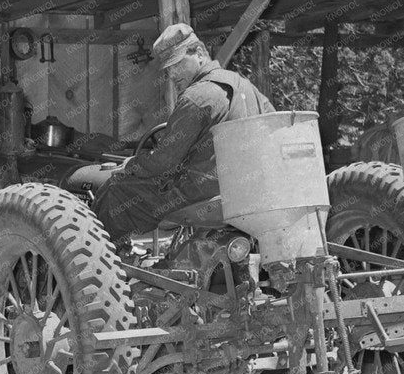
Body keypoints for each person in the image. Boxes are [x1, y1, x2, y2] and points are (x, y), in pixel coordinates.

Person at [93, 22, 274, 237]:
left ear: (198, 52)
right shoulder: (247, 88)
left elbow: (163, 163)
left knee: (116, 191)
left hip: (203, 196)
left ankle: (101, 262)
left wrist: (129, 166)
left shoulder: (196, 97)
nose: (172, 74)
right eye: (168, 68)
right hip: (248, 193)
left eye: (177, 64)